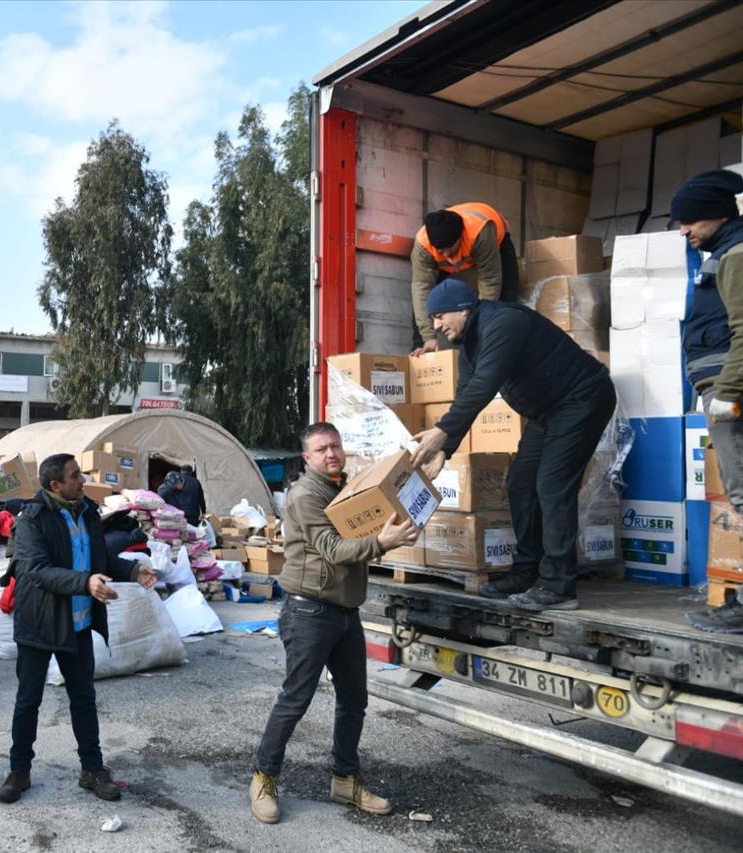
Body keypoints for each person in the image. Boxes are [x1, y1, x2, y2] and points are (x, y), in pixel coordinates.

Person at [411, 279, 616, 612]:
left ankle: (558, 585)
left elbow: (484, 385)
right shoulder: (471, 347)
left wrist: (440, 431)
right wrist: (445, 450)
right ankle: (527, 571)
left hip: (582, 398)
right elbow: (466, 395)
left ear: (463, 307)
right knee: (520, 483)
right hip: (546, 411)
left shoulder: (504, 322)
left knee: (551, 485)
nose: (436, 326)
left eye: (439, 316)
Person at [249, 423, 418, 825]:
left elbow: (359, 534)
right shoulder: (305, 495)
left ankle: (344, 779)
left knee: (354, 700)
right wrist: (382, 542)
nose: (331, 454)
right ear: (306, 458)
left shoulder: (344, 491)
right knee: (295, 700)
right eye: (322, 449)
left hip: (345, 612)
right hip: (309, 613)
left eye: (336, 446)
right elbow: (332, 548)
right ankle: (263, 778)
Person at [0, 453, 158, 804]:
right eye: (74, 476)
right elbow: (36, 570)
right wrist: (85, 583)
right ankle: (18, 771)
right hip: (40, 622)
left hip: (79, 623)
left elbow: (99, 558)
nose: (83, 480)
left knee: (83, 698)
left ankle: (92, 770)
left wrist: (133, 571)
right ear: (55, 485)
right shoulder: (32, 520)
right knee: (28, 700)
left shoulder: (86, 512)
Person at [675, 170, 743, 633]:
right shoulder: (722, 253)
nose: (683, 230)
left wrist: (729, 394)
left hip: (729, 393)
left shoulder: (735, 255)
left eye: (689, 221)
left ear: (716, 215)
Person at [410, 202, 518, 354]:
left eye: (450, 248)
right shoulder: (423, 245)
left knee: (507, 296)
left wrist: (481, 326)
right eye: (441, 250)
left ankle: (502, 346)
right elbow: (421, 289)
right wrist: (428, 336)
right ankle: (421, 349)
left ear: (460, 237)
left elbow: (490, 280)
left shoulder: (480, 232)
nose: (446, 254)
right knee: (428, 299)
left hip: (495, 246)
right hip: (451, 264)